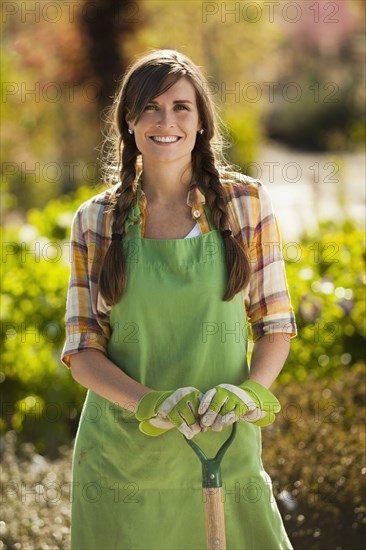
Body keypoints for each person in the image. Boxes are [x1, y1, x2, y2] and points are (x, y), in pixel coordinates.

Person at [61, 49, 297, 550]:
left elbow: (275, 325)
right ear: (129, 121)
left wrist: (249, 392)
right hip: (123, 464)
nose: (165, 121)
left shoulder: (244, 204)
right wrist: (149, 403)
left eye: (181, 107)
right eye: (150, 107)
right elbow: (82, 350)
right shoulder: (96, 220)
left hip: (224, 446)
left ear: (201, 122)